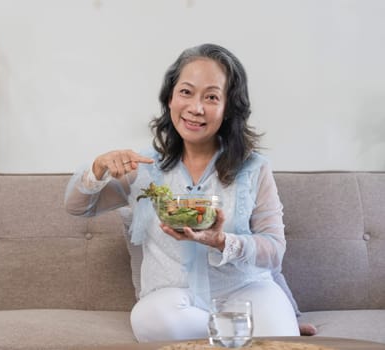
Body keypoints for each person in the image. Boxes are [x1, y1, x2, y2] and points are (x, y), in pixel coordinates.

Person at [65, 43, 305, 342]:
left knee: (276, 331)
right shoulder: (143, 168)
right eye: (186, 92)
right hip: (173, 300)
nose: (196, 108)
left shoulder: (253, 168)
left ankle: (236, 334)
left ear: (229, 107)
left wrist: (221, 241)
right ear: (170, 98)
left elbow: (274, 250)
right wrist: (98, 167)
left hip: (246, 292)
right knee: (149, 319)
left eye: (212, 97)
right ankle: (239, 337)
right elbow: (77, 207)